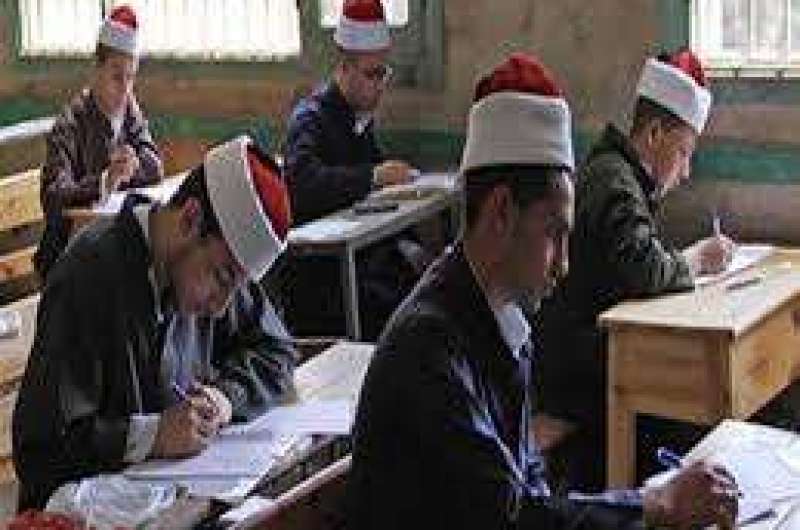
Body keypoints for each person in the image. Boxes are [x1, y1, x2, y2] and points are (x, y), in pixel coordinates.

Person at [349, 53, 739, 530]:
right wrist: (654, 505)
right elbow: (513, 517)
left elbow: (528, 492)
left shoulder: (502, 318)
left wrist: (643, 505)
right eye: (555, 234)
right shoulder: (427, 350)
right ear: (501, 212)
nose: (564, 264)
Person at [14, 136, 296, 510]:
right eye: (223, 278)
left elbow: (277, 350)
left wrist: (225, 397)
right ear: (191, 219)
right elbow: (41, 451)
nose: (220, 308)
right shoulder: (89, 275)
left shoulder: (208, 267)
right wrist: (153, 436)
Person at [537, 48, 736, 489]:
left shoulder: (622, 173)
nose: (686, 172)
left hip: (591, 345)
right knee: (685, 406)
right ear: (654, 133)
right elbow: (644, 270)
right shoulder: (614, 181)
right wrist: (698, 258)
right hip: (577, 360)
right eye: (683, 153)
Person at [282, 0, 424, 338]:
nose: (380, 84)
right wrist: (374, 176)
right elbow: (301, 183)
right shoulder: (311, 118)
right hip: (324, 277)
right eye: (372, 74)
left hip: (362, 263)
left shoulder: (359, 119)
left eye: (383, 73)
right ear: (344, 68)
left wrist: (411, 245)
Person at [35, 4, 163, 279]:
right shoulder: (70, 124)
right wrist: (106, 181)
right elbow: (54, 196)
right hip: (66, 264)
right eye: (117, 76)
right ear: (96, 70)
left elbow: (154, 168)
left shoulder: (129, 111)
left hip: (109, 253)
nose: (125, 89)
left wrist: (131, 166)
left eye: (131, 77)